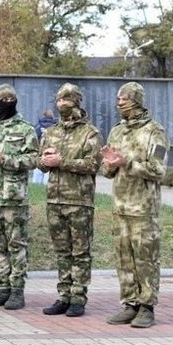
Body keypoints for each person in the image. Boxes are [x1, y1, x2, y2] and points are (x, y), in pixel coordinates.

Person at [102, 81, 168, 329]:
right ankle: (130, 304)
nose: (119, 102)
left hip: (143, 209)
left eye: (124, 98)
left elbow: (158, 169)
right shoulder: (116, 131)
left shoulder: (155, 131)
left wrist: (126, 161)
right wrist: (109, 164)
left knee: (145, 259)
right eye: (118, 99)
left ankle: (147, 307)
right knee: (124, 259)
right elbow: (107, 171)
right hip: (120, 207)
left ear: (137, 100)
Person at [37, 83, 102, 317]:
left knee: (80, 252)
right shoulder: (52, 131)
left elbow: (93, 164)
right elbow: (40, 162)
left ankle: (78, 297)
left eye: (66, 100)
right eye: (59, 100)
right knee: (62, 251)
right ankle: (63, 296)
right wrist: (44, 161)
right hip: (55, 201)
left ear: (76, 101)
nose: (61, 104)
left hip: (79, 202)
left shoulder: (90, 133)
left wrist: (62, 161)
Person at [0, 83, 39, 310]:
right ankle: (3, 287)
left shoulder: (26, 129)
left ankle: (17, 290)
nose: (6, 103)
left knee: (16, 244)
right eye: (2, 100)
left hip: (14, 199)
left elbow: (34, 159)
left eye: (10, 99)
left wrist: (5, 159)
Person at [33, 109, 57, 185]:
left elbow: (33, 139)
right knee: (48, 175)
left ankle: (36, 188)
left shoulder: (38, 126)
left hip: (39, 153)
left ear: (44, 116)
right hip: (51, 154)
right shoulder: (56, 127)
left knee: (37, 173)